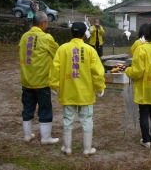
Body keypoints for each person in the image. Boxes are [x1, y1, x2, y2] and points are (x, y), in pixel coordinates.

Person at [49, 22, 105, 157]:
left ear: (71, 33)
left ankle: (67, 148)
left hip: (68, 91)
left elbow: (55, 68)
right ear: (84, 35)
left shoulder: (62, 49)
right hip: (85, 93)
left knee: (67, 119)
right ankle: (87, 149)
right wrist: (99, 87)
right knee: (86, 119)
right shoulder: (90, 50)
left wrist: (54, 85)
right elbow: (97, 71)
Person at [19, 11, 59, 144]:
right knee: (45, 108)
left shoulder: (24, 37)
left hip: (26, 80)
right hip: (42, 81)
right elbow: (57, 55)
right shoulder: (46, 38)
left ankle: (27, 135)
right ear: (43, 23)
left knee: (28, 107)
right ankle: (46, 138)